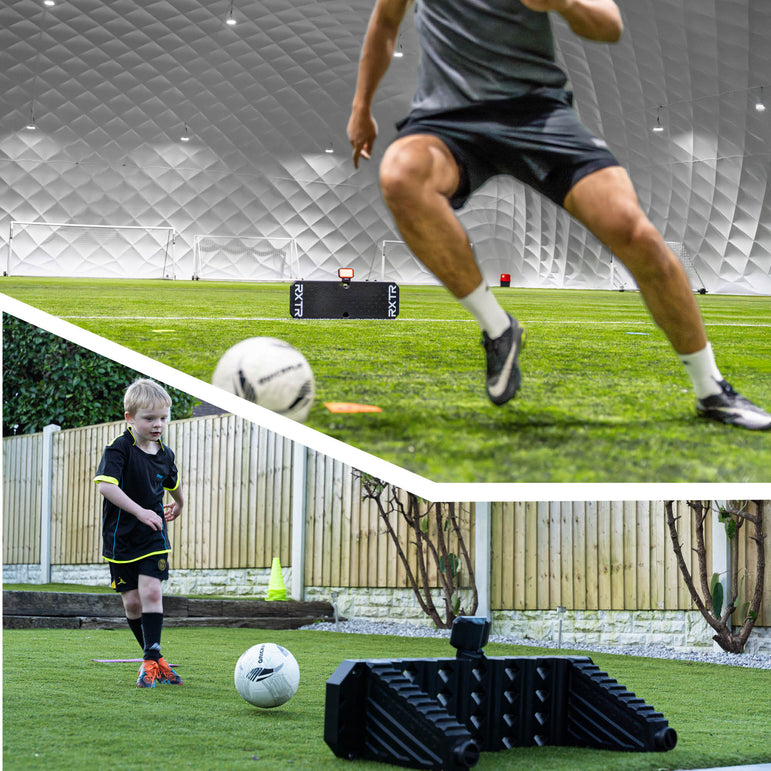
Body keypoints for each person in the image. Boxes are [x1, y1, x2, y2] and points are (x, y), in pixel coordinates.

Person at [347, 0, 771, 431]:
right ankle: (498, 329)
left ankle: (710, 388)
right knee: (400, 173)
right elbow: (385, 23)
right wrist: (361, 107)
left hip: (538, 116)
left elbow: (609, 24)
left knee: (633, 231)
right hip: (448, 120)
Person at [94, 378, 185, 687]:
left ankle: (150, 658)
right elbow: (107, 487)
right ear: (130, 418)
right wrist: (139, 510)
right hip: (120, 539)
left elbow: (172, 482)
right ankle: (154, 658)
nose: (158, 424)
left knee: (152, 592)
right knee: (132, 603)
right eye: (150, 419)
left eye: (163, 417)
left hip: (153, 535)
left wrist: (180, 503)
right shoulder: (119, 449)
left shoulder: (165, 453)